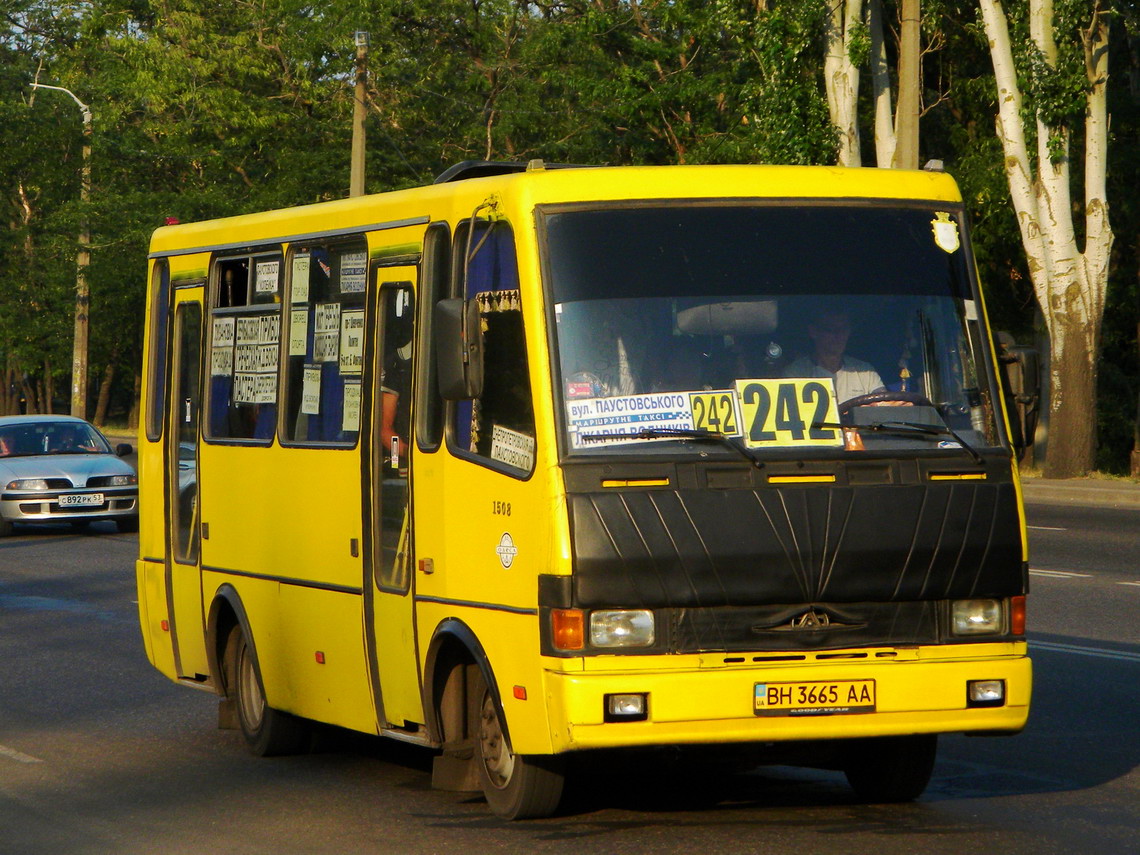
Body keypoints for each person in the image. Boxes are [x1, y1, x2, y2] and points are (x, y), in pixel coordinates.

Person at [784, 309, 886, 403]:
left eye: (843, 329)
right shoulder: (796, 373)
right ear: (813, 332)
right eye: (830, 330)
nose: (838, 335)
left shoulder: (865, 371)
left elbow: (885, 406)